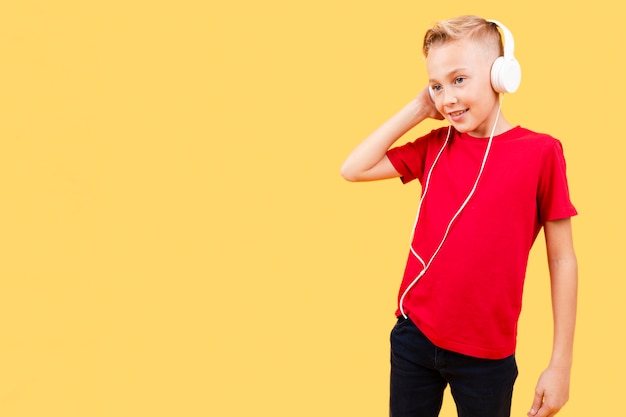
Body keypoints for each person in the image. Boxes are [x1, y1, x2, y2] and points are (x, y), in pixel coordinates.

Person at [340, 15, 578, 417]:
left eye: (459, 80)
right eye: (437, 86)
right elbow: (354, 168)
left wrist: (561, 365)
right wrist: (419, 107)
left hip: (487, 355)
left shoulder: (540, 152)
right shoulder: (436, 145)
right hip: (415, 337)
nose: (447, 98)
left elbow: (562, 259)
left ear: (501, 75)